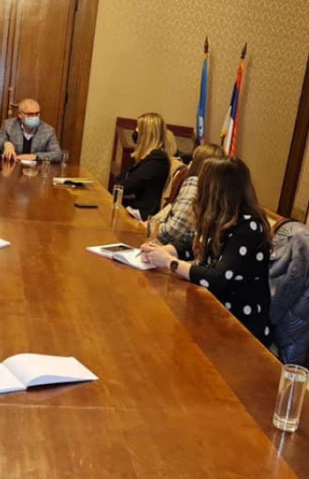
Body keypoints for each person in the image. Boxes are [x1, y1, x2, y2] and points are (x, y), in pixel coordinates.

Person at [140, 157, 273, 346]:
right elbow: (194, 244)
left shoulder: (249, 227)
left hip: (238, 328)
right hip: (210, 312)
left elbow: (217, 277)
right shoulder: (224, 217)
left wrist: (170, 263)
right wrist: (165, 250)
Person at [150, 143, 225, 247]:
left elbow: (172, 232)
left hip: (170, 248)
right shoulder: (217, 191)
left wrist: (153, 226)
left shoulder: (195, 185)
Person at [115, 112, 170, 219]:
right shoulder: (145, 157)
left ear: (147, 134)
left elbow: (129, 184)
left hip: (139, 215)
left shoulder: (158, 160)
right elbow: (120, 180)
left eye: (138, 128)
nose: (135, 131)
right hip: (129, 209)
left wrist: (120, 186)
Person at [0, 98, 62, 162]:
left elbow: (57, 154)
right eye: (30, 114)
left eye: (37, 114)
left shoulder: (48, 130)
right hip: (13, 167)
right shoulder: (8, 125)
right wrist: (6, 144)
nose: (34, 117)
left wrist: (35, 156)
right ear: (20, 115)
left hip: (35, 169)